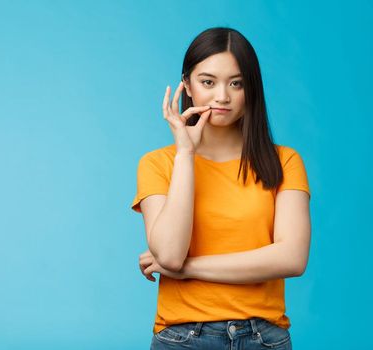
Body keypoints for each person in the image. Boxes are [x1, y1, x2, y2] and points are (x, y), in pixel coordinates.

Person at [131, 27, 311, 350]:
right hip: (183, 338)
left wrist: (189, 269)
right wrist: (186, 154)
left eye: (236, 83)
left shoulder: (284, 161)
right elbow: (170, 254)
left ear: (250, 88)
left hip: (263, 337)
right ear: (187, 84)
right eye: (208, 82)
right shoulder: (158, 164)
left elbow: (292, 257)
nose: (222, 96)